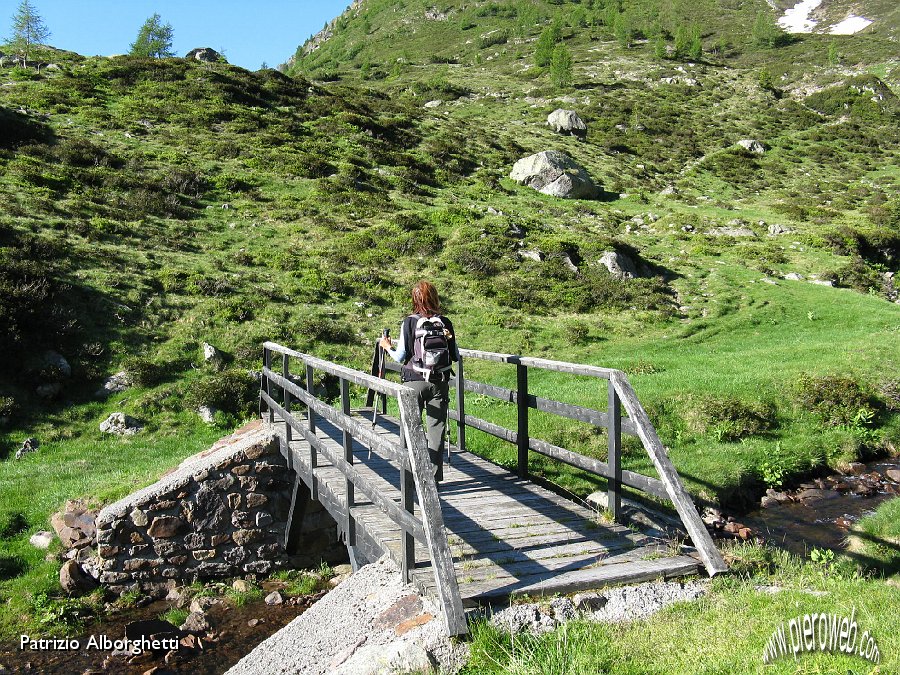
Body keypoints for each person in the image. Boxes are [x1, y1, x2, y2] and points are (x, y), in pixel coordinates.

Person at [379, 281, 459, 478]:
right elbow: (455, 355)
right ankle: (433, 480)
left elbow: (400, 357)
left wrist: (386, 345)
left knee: (410, 428)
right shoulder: (445, 322)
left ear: (414, 299)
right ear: (435, 297)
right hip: (439, 382)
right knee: (436, 432)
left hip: (412, 382)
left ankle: (409, 476)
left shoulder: (410, 322)